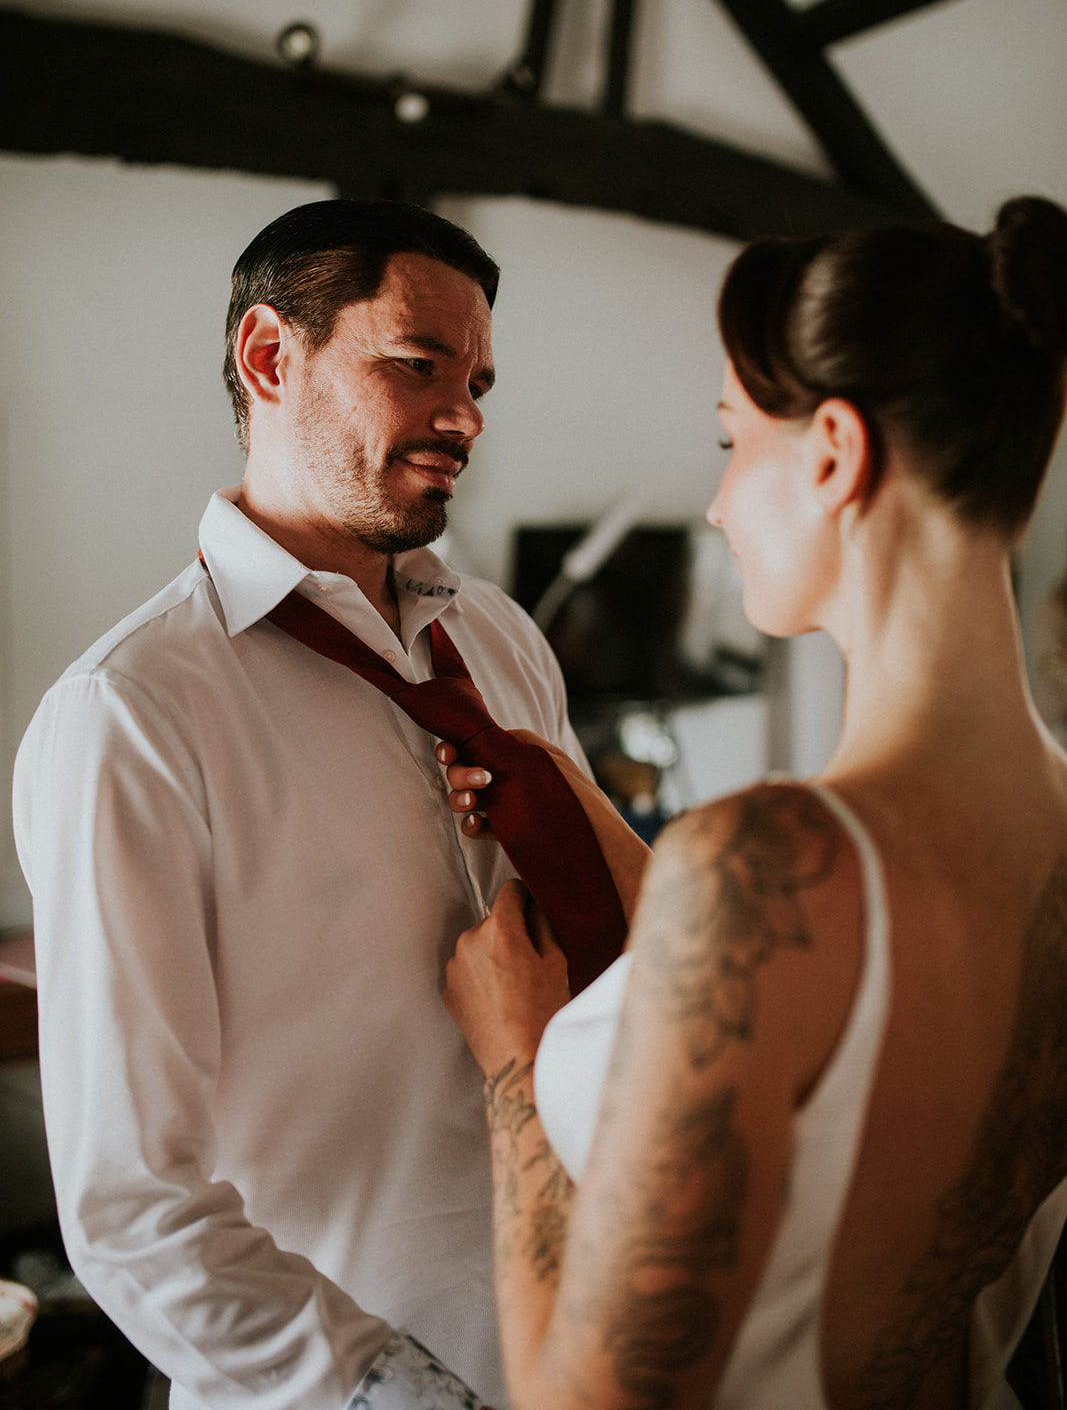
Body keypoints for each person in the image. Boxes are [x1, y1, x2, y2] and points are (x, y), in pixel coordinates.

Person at [444, 196, 1067, 1410]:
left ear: (832, 452)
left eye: (731, 441)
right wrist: (591, 815)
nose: (718, 503)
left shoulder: (763, 863)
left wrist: (512, 1061)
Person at [12, 199, 617, 1410]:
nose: (465, 415)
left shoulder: (501, 643)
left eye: (476, 381)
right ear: (268, 357)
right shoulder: (131, 714)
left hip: (600, 1348)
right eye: (417, 364)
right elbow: (136, 1205)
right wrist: (405, 1395)